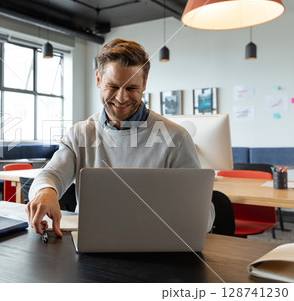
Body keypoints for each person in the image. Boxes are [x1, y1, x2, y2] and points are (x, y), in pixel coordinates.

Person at [26, 38, 213, 236]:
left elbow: (204, 218)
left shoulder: (177, 138)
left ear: (144, 84)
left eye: (131, 88)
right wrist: (45, 191)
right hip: (91, 244)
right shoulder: (79, 135)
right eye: (113, 87)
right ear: (98, 79)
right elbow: (51, 175)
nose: (121, 98)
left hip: (155, 245)